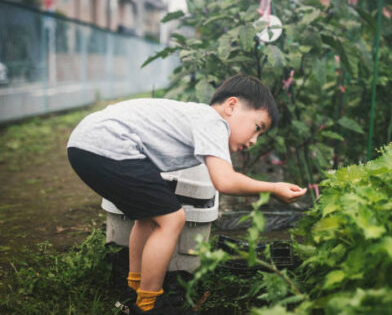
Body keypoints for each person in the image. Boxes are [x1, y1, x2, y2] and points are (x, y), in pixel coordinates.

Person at [67, 74, 307, 314]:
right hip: (109, 143)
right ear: (232, 106)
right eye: (257, 127)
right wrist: (273, 188)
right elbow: (224, 181)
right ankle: (149, 306)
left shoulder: (195, 117)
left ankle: (136, 289)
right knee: (172, 218)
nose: (254, 140)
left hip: (85, 143)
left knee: (149, 217)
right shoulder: (214, 121)